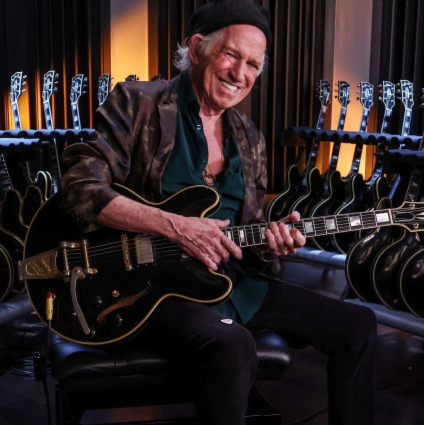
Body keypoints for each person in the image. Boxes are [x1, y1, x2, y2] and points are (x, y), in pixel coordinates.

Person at [60, 1, 377, 424]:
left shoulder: (250, 138)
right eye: (231, 54)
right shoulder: (138, 103)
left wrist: (271, 241)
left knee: (357, 326)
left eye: (253, 64)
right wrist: (174, 226)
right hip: (153, 287)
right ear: (196, 49)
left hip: (231, 282)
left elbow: (245, 233)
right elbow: (79, 187)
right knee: (233, 344)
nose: (239, 73)